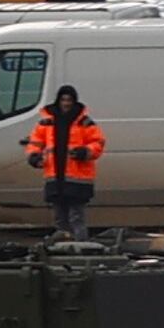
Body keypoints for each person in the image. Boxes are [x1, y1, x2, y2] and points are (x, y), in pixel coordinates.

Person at [25, 84, 106, 241]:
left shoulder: (85, 122)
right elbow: (35, 142)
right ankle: (64, 248)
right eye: (63, 100)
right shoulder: (46, 122)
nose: (66, 103)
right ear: (58, 101)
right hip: (56, 177)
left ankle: (80, 247)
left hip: (77, 178)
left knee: (77, 218)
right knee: (60, 219)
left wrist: (85, 152)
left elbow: (98, 143)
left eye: (69, 100)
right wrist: (34, 157)